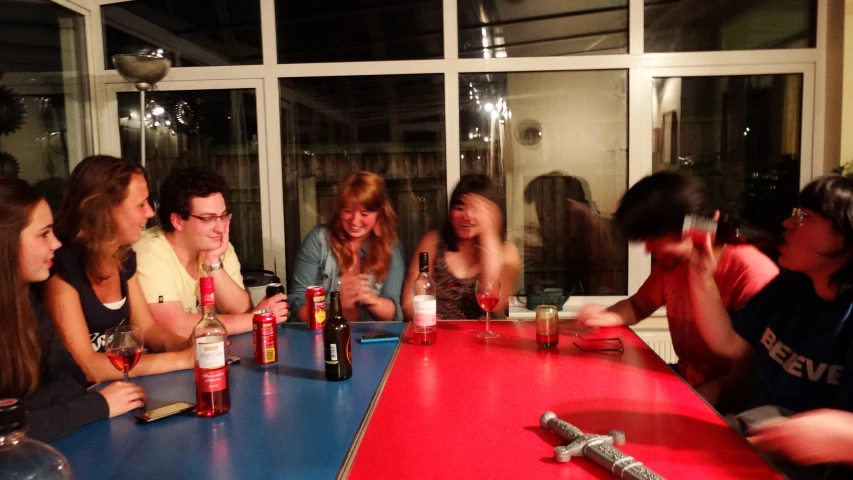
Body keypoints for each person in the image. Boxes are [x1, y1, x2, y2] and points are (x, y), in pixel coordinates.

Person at [687, 176, 853, 474]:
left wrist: (841, 434)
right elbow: (728, 343)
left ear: (844, 236)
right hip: (756, 442)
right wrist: (700, 271)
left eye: (806, 216)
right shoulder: (792, 283)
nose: (788, 223)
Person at [578, 171, 778, 401]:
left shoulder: (750, 270)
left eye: (653, 237)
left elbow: (746, 376)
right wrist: (608, 316)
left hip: (733, 402)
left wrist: (684, 403)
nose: (647, 249)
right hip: (687, 381)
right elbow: (638, 305)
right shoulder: (673, 265)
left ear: (695, 225)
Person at [0, 177, 145, 442]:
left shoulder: (26, 301)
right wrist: (95, 406)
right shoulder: (55, 282)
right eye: (44, 234)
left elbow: (70, 375)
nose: (56, 243)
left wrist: (21, 410)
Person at [43, 156, 193, 383]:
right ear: (105, 209)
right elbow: (86, 366)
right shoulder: (62, 268)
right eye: (141, 204)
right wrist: (181, 360)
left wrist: (192, 346)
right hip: (86, 402)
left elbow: (148, 329)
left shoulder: (123, 256)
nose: (151, 213)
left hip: (123, 388)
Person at [133, 167, 288, 337]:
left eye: (223, 216)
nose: (220, 227)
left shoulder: (218, 247)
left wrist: (213, 263)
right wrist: (257, 319)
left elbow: (241, 310)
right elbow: (175, 326)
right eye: (209, 219)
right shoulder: (148, 250)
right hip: (163, 359)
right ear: (177, 221)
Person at [402, 174, 521, 320]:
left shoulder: (508, 251)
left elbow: (496, 304)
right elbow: (409, 303)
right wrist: (435, 330)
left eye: (477, 209)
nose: (467, 216)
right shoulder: (433, 241)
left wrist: (489, 237)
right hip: (438, 334)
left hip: (485, 338)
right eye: (460, 208)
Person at [290, 171, 405, 322]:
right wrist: (336, 306)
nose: (355, 221)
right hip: (321, 335)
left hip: (368, 337)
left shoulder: (391, 246)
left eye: (364, 214)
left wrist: (371, 299)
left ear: (379, 214)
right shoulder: (319, 240)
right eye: (348, 211)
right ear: (339, 210)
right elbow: (297, 304)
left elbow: (393, 313)